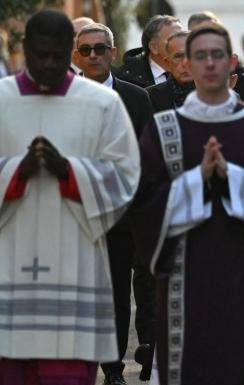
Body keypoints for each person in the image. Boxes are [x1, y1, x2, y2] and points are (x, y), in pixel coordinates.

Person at [134, 24, 244, 385]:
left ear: (231, 64)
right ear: (186, 66)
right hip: (186, 280)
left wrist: (232, 177)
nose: (209, 64)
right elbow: (143, 203)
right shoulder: (164, 129)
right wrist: (198, 180)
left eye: (216, 55)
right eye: (199, 56)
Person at [0, 10, 140, 385]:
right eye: (40, 55)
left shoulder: (102, 104)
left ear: (71, 53)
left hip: (75, 261)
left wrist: (70, 173)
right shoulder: (1, 99)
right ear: (25, 49)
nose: (48, 64)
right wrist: (16, 172)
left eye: (57, 56)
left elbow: (127, 176)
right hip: (9, 261)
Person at [72, 22, 155, 385]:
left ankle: (113, 367)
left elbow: (147, 156)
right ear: (76, 55)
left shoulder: (137, 98)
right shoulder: (63, 97)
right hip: (72, 213)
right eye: (86, 50)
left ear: (113, 51)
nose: (94, 55)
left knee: (118, 293)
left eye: (100, 48)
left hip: (122, 215)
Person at [116, 15, 182, 88]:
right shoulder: (125, 79)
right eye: (173, 38)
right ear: (154, 47)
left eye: (183, 37)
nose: (182, 43)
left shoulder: (193, 71)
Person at [145, 31, 195, 112]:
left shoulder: (218, 93)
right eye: (179, 56)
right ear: (167, 63)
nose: (185, 63)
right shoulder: (147, 97)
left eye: (191, 55)